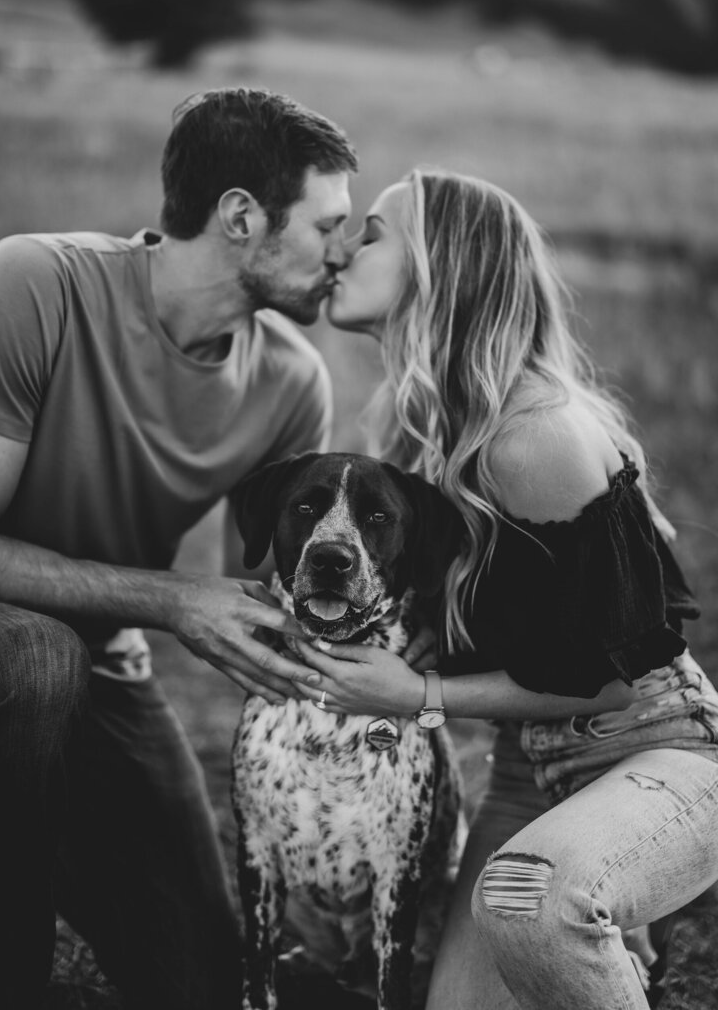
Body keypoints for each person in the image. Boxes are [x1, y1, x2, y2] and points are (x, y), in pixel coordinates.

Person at [0, 87, 358, 1010]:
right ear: (241, 216)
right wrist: (172, 599)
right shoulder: (38, 280)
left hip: (100, 662)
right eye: (330, 225)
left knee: (204, 976)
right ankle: (5, 988)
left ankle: (65, 836)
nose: (344, 252)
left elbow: (274, 612)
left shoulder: (290, 383)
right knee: (32, 655)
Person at [294, 168, 718, 1010]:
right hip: (527, 778)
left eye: (371, 232)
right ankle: (613, 932)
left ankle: (601, 899)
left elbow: (606, 675)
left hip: (660, 755)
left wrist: (419, 694)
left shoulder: (535, 437)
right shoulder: (419, 431)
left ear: (440, 268)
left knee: (528, 904)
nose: (340, 247)